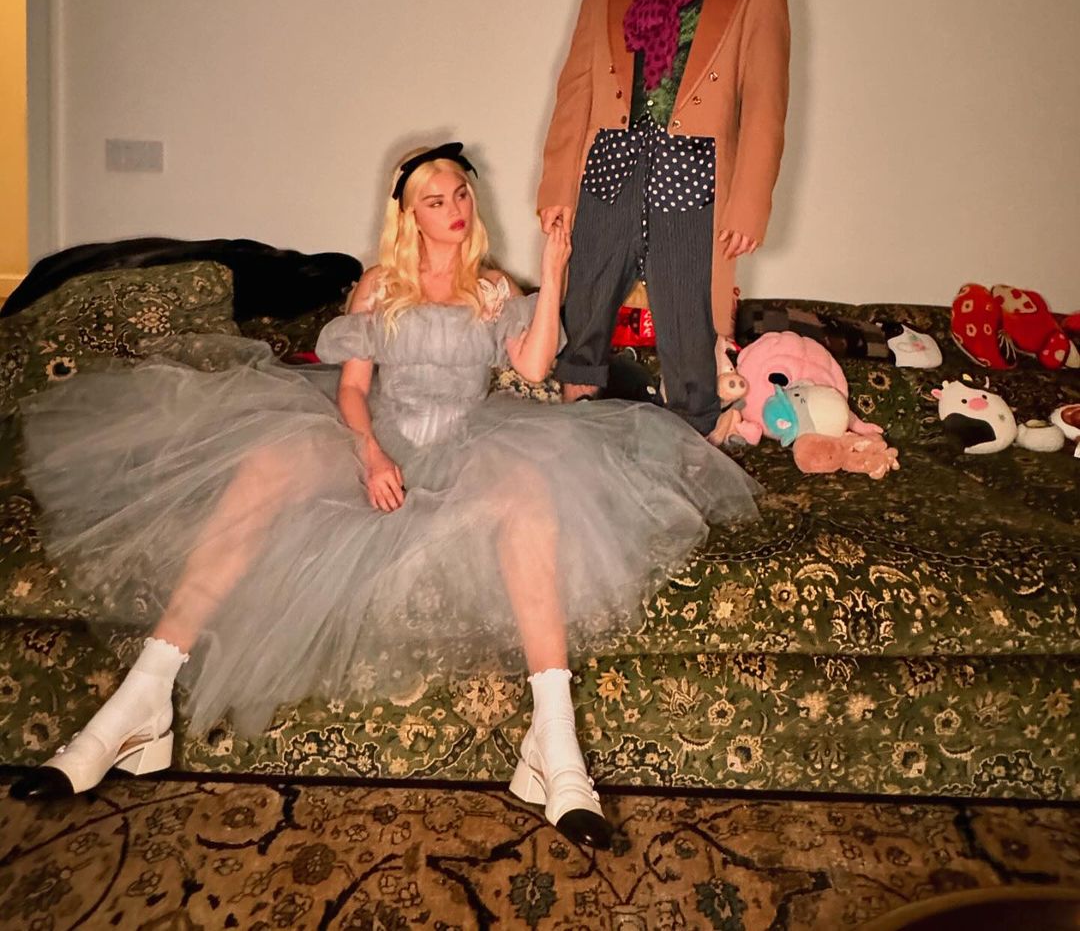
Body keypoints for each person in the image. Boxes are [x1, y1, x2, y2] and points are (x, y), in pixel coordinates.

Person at [12, 143, 761, 847]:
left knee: (530, 495)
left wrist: (553, 271)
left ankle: (554, 745)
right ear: (409, 215)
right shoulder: (378, 286)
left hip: (469, 441)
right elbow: (351, 390)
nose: (455, 209)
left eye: (461, 194)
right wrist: (370, 455)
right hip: (377, 436)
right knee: (264, 469)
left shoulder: (493, 288)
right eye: (436, 200)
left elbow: (534, 370)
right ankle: (139, 702)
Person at [538, 0, 791, 442]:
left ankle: (695, 433)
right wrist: (556, 186)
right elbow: (574, 92)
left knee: (688, 307)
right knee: (588, 292)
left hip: (696, 169)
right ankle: (578, 419)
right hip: (609, 157)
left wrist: (750, 201)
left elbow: (766, 108)